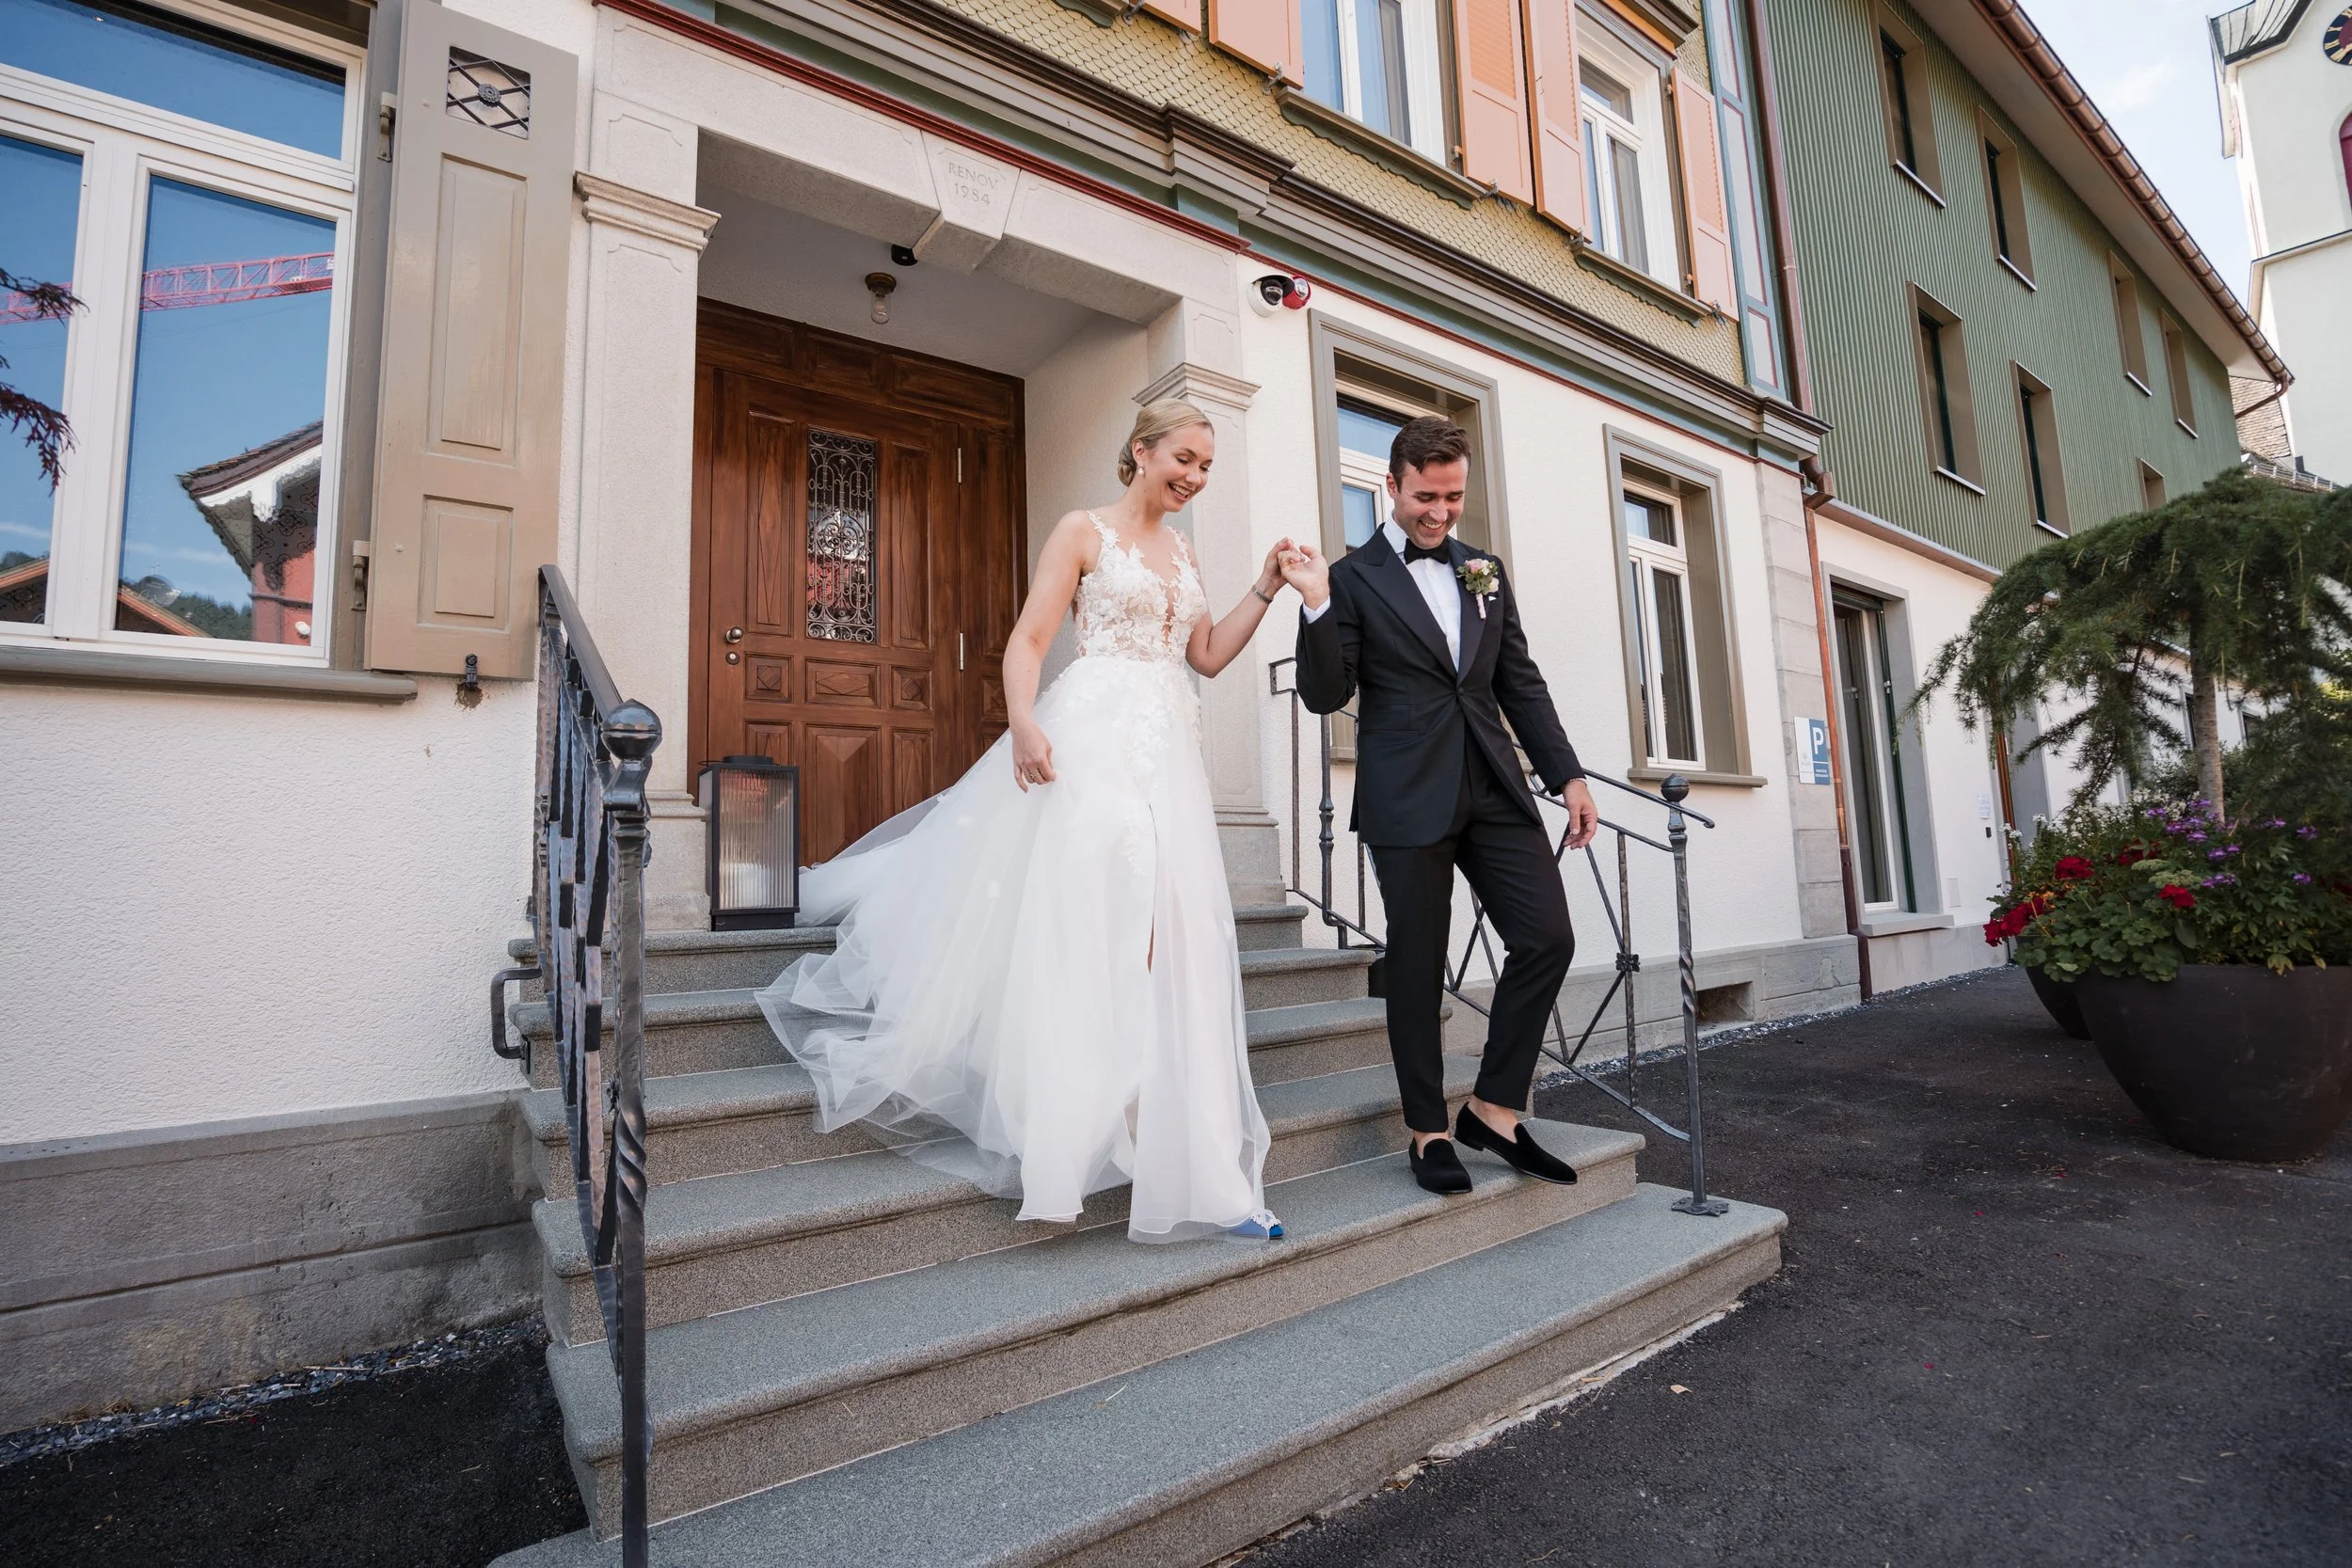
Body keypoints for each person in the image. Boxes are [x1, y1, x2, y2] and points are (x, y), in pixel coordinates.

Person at [758, 401, 1299, 1242]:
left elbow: (1205, 656)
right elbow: (1028, 637)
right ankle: (1069, 1138)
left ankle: (1175, 1140)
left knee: (1170, 932)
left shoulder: (1186, 550)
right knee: (1093, 921)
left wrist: (1264, 586)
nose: (1194, 476)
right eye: (1184, 458)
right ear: (1142, 450)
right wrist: (1021, 719)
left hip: (1169, 754)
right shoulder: (1082, 531)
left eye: (1206, 466)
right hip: (1090, 740)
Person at [1281, 415, 1599, 1196]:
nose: (1440, 511)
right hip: (1405, 794)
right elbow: (1326, 695)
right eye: (1426, 495)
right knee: (1418, 967)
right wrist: (1317, 603)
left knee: (1547, 937)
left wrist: (1568, 775)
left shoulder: (1483, 568)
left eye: (1453, 496)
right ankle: (1427, 1130)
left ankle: (1493, 1107)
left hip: (1494, 785)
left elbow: (1517, 682)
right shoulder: (1353, 579)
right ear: (1391, 486)